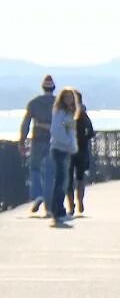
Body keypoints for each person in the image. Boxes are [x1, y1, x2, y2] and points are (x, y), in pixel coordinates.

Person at [18, 74, 56, 215]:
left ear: (42, 87)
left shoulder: (34, 103)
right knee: (50, 172)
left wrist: (22, 141)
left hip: (37, 141)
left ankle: (38, 194)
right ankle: (48, 206)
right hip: (53, 142)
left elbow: (26, 124)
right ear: (53, 88)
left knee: (35, 168)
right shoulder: (58, 103)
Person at [48, 87, 80, 227]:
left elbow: (71, 132)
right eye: (66, 97)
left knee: (64, 181)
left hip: (66, 150)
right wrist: (68, 143)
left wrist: (73, 146)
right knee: (60, 181)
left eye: (71, 97)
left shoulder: (69, 113)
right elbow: (56, 131)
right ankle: (57, 211)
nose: (69, 99)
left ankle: (60, 210)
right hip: (59, 149)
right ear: (62, 99)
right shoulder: (60, 112)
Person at [67, 90, 95, 216]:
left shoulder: (67, 113)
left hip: (69, 148)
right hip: (82, 148)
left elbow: (64, 128)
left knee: (69, 178)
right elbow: (90, 131)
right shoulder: (83, 114)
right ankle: (79, 201)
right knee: (80, 177)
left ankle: (71, 204)